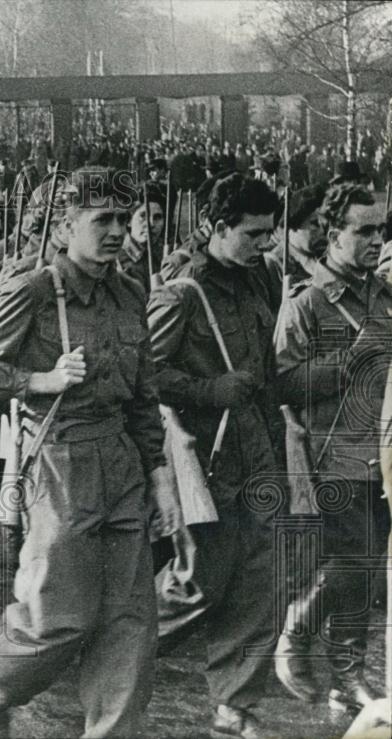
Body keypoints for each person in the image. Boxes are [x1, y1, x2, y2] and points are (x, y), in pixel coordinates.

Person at [0, 168, 179, 738]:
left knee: (130, 623)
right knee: (58, 620)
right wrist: (41, 379)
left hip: (122, 460)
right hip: (58, 460)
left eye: (123, 221)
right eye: (102, 219)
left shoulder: (131, 292)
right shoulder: (33, 289)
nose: (117, 232)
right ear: (64, 225)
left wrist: (159, 475)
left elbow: (144, 393)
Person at [148, 173, 281, 738]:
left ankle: (234, 704)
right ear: (217, 228)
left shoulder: (262, 279)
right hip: (206, 460)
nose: (265, 244)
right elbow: (141, 374)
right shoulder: (183, 289)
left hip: (258, 451)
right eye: (253, 234)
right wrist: (208, 391)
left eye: (269, 233)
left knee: (261, 581)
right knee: (200, 581)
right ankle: (114, 644)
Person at [273, 183, 391, 715]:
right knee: (356, 557)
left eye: (381, 230)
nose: (375, 240)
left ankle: (348, 673)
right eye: (363, 230)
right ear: (332, 233)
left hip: (384, 451)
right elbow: (280, 383)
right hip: (333, 451)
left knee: (367, 569)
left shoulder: (385, 297)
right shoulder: (308, 302)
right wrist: (349, 364)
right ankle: (298, 631)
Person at [118, 182, 165, 296]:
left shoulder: (164, 258)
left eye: (157, 217)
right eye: (143, 216)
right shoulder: (117, 260)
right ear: (128, 221)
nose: (151, 223)